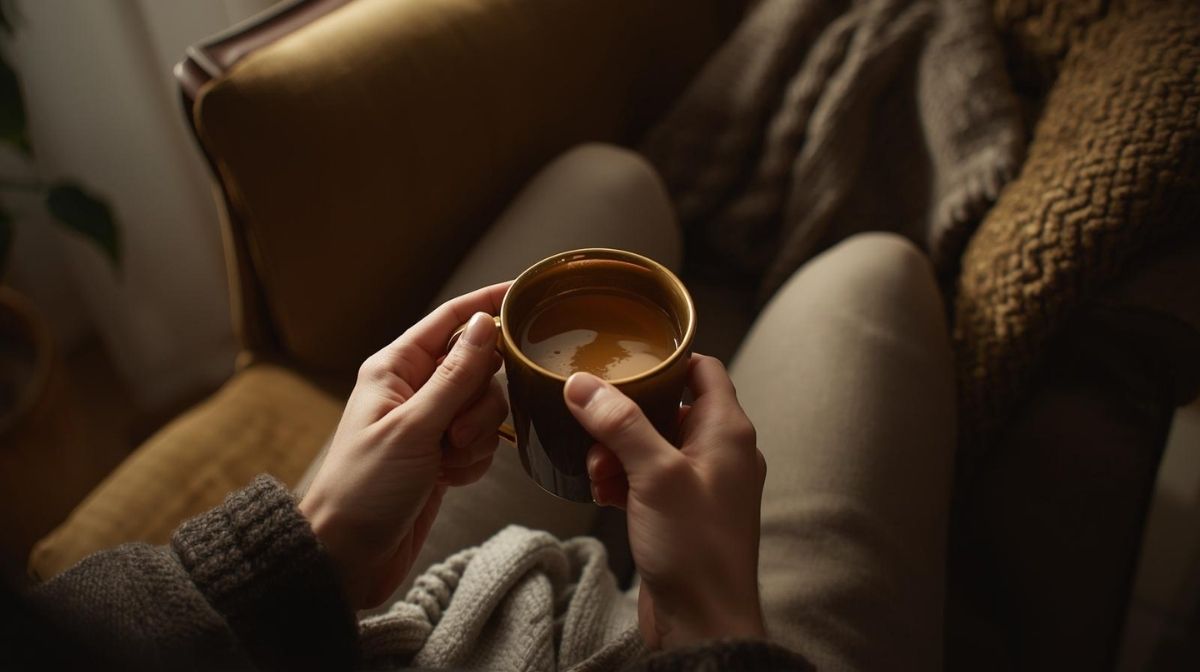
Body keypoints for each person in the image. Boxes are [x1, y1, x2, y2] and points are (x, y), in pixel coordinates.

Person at [15, 145, 955, 672]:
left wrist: (309, 550)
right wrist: (715, 622)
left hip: (334, 629)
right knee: (872, 273)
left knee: (610, 179)